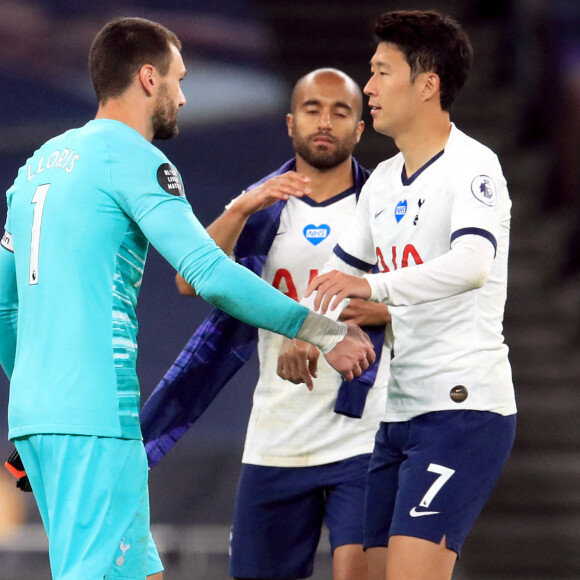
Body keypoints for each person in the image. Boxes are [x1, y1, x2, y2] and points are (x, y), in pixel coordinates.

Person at [0, 18, 375, 580]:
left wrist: (42, 400)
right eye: (178, 79)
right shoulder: (133, 158)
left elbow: (6, 308)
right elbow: (208, 273)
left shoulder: (35, 168)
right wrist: (321, 330)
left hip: (40, 414)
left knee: (138, 573)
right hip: (93, 414)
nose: (183, 95)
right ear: (148, 79)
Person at [278, 10, 517, 580]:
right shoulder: (383, 181)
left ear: (427, 83)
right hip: (398, 416)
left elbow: (472, 264)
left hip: (463, 411)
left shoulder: (475, 166)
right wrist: (308, 332)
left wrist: (372, 286)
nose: (369, 88)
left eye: (382, 72)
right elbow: (334, 279)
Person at [141, 68, 391, 580]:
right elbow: (191, 281)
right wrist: (241, 207)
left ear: (359, 129)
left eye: (340, 111)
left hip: (362, 434)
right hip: (277, 439)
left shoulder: (384, 206)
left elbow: (411, 298)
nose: (325, 121)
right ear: (290, 122)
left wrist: (317, 328)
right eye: (312, 109)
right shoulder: (263, 208)